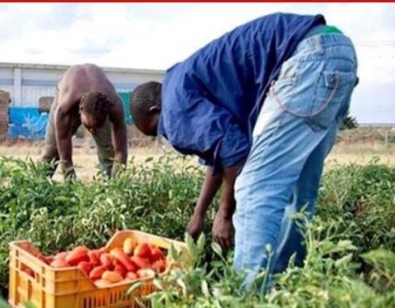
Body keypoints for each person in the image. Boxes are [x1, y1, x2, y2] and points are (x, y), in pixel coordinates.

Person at [129, 13, 358, 291]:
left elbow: (235, 154)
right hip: (336, 53)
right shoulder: (184, 83)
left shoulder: (174, 108)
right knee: (298, 194)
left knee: (253, 189)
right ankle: (285, 291)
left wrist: (224, 215)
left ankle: (244, 305)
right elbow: (219, 155)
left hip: (306, 60)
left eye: (159, 130)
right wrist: (199, 214)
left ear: (156, 112)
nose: (169, 135)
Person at [39, 64, 128, 179]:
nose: (92, 131)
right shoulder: (64, 108)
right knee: (51, 150)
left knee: (108, 151)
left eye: (96, 127)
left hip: (98, 101)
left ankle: (110, 187)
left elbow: (120, 151)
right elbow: (63, 142)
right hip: (68, 92)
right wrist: (70, 179)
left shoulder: (114, 105)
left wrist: (118, 182)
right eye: (89, 126)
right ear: (80, 110)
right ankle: (37, 184)